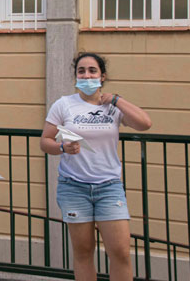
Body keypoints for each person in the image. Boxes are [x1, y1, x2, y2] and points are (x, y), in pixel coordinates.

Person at [40, 52, 151, 281]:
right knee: (83, 252)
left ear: (102, 76)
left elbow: (145, 123)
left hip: (109, 187)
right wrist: (62, 148)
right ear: (76, 76)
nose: (86, 75)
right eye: (81, 71)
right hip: (74, 187)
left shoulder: (113, 107)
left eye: (92, 71)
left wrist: (117, 100)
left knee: (120, 252)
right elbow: (45, 141)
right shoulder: (64, 105)